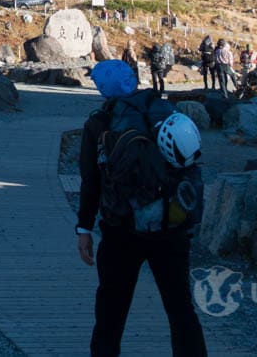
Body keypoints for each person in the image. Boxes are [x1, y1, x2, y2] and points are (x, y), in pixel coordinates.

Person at [77, 60, 207, 357]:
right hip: (171, 228)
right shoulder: (166, 111)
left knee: (111, 311)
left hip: (121, 230)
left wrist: (84, 227)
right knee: (180, 309)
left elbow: (90, 181)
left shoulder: (100, 123)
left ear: (103, 88)